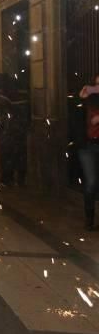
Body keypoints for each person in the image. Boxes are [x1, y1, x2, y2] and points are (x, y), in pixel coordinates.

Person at [0, 73, 31, 188]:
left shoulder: (4, 96)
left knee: (6, 155)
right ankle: (21, 180)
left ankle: (7, 179)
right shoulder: (22, 94)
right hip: (20, 130)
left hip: (8, 131)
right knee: (20, 155)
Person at [78, 76, 99, 230]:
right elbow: (82, 93)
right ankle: (89, 218)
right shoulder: (90, 99)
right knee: (91, 182)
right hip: (89, 145)